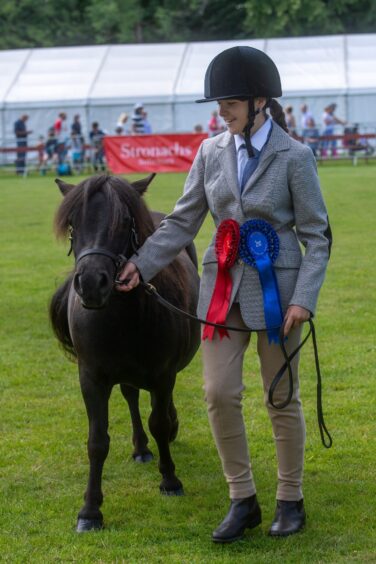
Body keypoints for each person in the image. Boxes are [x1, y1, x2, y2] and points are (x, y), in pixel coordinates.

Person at [117, 46, 331, 543]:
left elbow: (317, 236)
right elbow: (183, 220)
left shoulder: (295, 156)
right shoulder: (209, 151)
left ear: (259, 102)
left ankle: (290, 498)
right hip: (220, 292)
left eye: (229, 103)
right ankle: (242, 500)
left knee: (281, 398)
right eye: (219, 105)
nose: (221, 112)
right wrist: (138, 263)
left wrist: (304, 298)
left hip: (280, 297)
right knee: (217, 395)